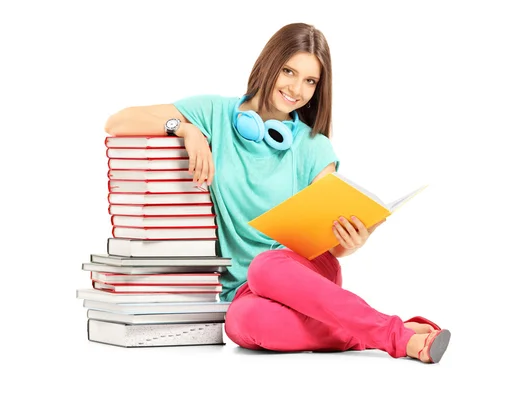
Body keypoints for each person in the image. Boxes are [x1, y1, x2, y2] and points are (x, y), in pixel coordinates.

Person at [104, 22, 451, 363]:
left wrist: (352, 241)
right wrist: (185, 129)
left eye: (310, 80)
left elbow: (332, 244)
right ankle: (380, 331)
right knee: (240, 323)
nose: (297, 89)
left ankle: (396, 337)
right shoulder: (213, 114)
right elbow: (118, 122)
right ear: (269, 63)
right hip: (245, 291)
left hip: (301, 272)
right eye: (289, 71)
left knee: (265, 265)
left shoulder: (314, 146)